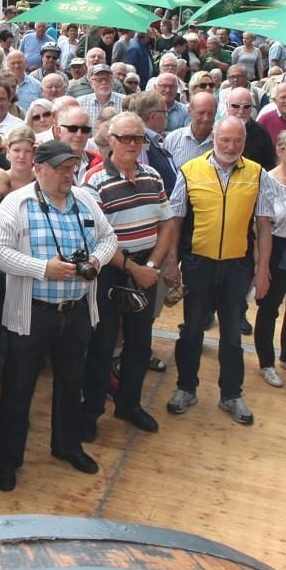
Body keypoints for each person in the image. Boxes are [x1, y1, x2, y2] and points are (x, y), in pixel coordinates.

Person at [0, 140, 117, 492]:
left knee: (71, 383)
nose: (67, 173)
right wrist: (42, 268)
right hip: (32, 314)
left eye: (71, 167)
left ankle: (66, 445)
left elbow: (109, 239)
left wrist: (95, 262)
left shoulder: (86, 200)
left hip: (75, 312)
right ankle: (7, 461)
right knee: (17, 390)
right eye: (60, 167)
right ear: (38, 169)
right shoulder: (16, 204)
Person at [166, 117, 271, 426]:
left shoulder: (256, 174)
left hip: (237, 265)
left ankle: (231, 395)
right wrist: (172, 261)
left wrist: (262, 270)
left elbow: (264, 225)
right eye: (225, 140)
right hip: (198, 263)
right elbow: (175, 220)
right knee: (192, 329)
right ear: (214, 137)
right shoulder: (190, 170)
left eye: (237, 141)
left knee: (231, 336)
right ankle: (186, 388)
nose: (231, 147)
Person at [81, 113, 176, 441]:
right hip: (110, 272)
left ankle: (129, 404)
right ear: (110, 139)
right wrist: (135, 269)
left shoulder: (152, 176)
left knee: (139, 343)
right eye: (126, 138)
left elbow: (167, 224)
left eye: (139, 138)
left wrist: (150, 267)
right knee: (103, 345)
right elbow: (95, 239)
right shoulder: (93, 182)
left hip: (146, 269)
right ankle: (91, 410)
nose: (133, 144)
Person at [254, 129, 286, 385]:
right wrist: (261, 264)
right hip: (276, 250)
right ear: (280, 150)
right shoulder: (267, 181)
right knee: (269, 308)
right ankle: (266, 362)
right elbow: (262, 225)